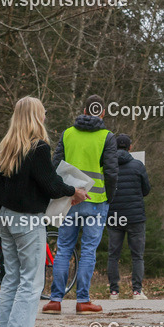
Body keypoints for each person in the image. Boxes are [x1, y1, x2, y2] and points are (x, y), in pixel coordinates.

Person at [0, 97, 87, 327]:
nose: (45, 115)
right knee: (31, 280)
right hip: (27, 220)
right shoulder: (38, 148)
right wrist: (73, 191)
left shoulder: (7, 147)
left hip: (6, 216)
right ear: (37, 116)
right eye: (43, 111)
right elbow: (50, 184)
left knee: (12, 278)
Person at [43, 94, 118, 315]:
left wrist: (58, 193)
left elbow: (55, 166)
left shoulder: (67, 134)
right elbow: (112, 172)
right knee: (88, 250)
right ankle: (83, 300)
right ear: (102, 113)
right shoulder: (107, 137)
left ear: (84, 111)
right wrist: (108, 197)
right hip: (96, 201)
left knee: (64, 248)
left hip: (69, 200)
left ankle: (55, 300)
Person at [107, 134, 151, 301]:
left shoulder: (108, 166)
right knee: (137, 255)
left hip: (114, 216)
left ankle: (114, 292)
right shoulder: (138, 165)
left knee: (113, 255)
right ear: (130, 147)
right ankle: (137, 291)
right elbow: (146, 190)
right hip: (135, 217)